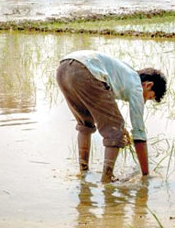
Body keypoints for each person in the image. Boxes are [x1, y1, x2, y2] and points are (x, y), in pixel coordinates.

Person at [56, 50, 167, 183]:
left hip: (63, 69)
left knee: (85, 123)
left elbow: (105, 103)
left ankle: (83, 172)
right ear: (148, 85)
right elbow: (139, 134)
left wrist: (120, 126)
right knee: (115, 133)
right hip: (86, 70)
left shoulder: (126, 72)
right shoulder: (137, 87)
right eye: (149, 97)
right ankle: (107, 179)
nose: (144, 101)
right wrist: (146, 175)